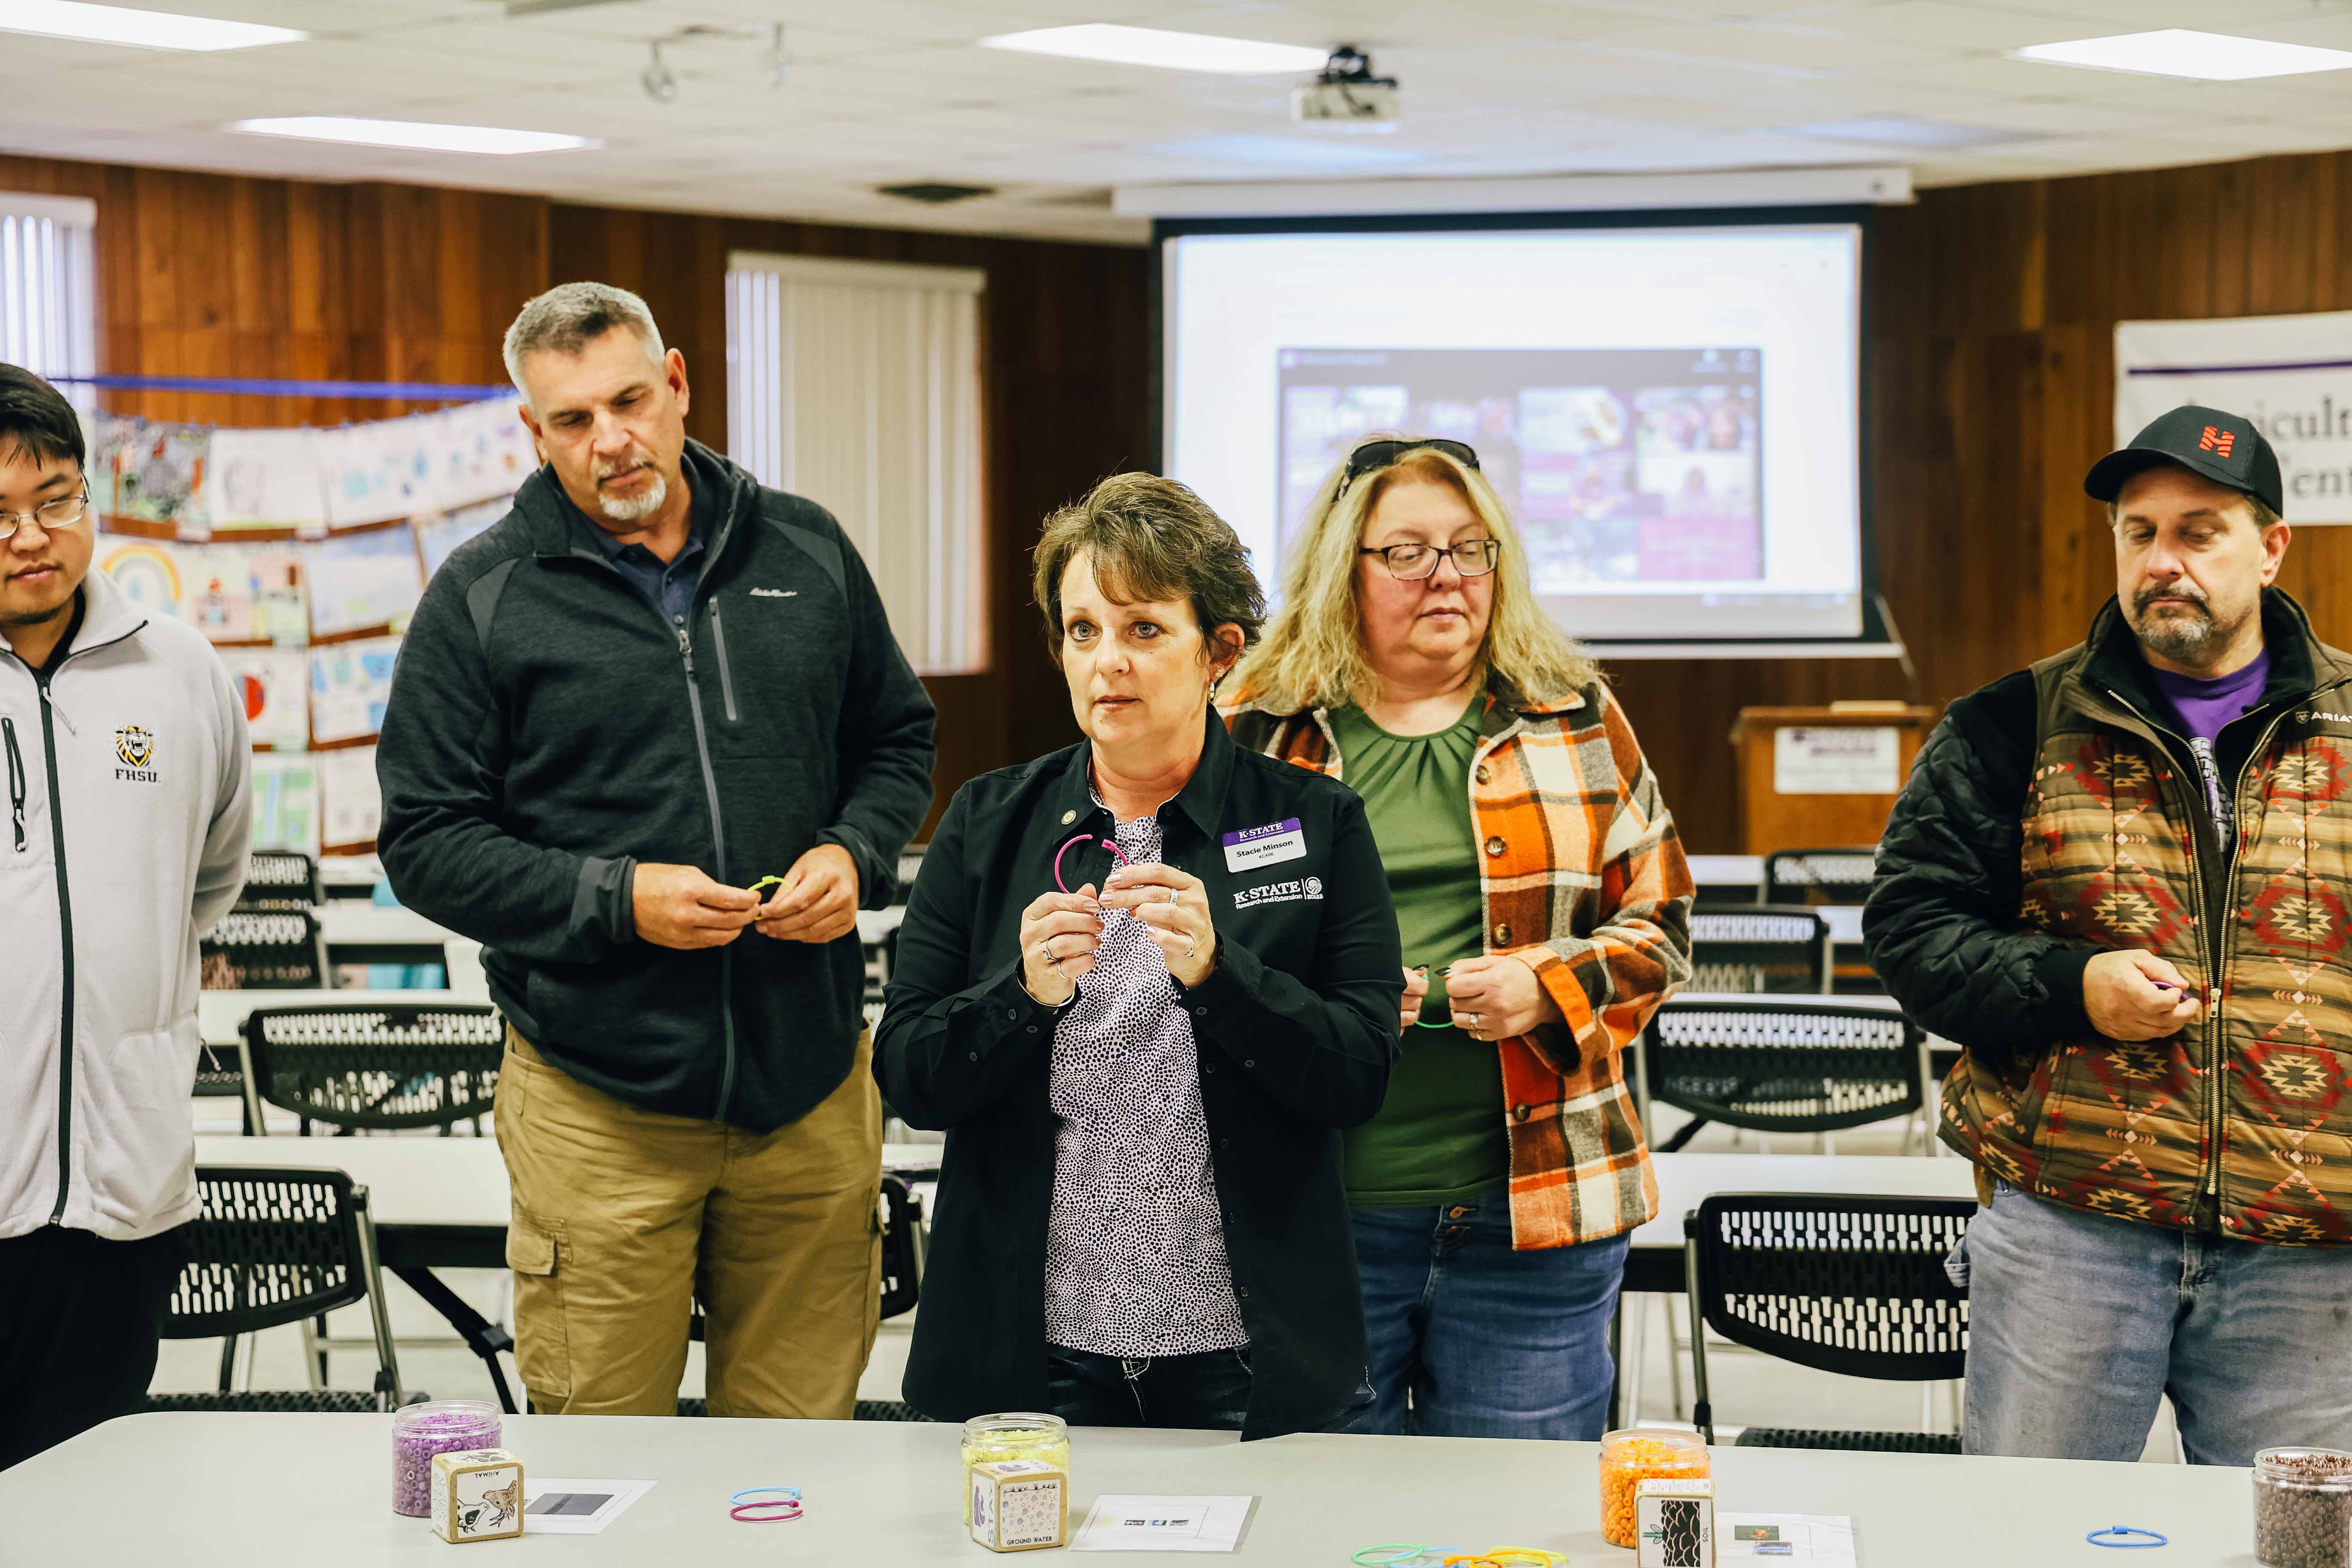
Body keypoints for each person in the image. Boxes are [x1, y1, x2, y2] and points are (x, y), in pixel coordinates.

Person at [376, 282, 936, 1420]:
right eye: (572, 421)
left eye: (629, 401)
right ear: (532, 433)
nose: (611, 441)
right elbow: (426, 841)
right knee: (604, 1466)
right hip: (599, 1105)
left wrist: (856, 853)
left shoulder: (807, 549)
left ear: (678, 384)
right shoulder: (481, 598)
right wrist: (614, 898)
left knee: (799, 1465)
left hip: (811, 1088)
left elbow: (896, 738)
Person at [1868, 404, 2352, 1465]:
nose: (2163, 561)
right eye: (2140, 533)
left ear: (2271, 549)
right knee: (2029, 1543)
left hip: (2313, 1254)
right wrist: (2072, 986)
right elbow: (1911, 929)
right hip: (2070, 1233)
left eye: (2198, 531)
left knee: (2297, 1547)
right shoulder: (2010, 723)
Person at [876, 474, 1401, 1439]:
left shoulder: (1315, 822)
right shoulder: (987, 822)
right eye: (1083, 632)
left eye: (1143, 629)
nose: (1107, 663)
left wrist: (1222, 977)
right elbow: (912, 1075)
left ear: (1221, 653)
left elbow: (1358, 1075)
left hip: (1240, 1346)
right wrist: (1023, 997)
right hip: (1033, 1345)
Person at [1227, 435, 1694, 1441]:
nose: (1444, 573)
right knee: (1332, 1528)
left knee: (1516, 1529)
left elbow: (1663, 922)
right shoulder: (1260, 731)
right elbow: (1196, 946)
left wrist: (1550, 986)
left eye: (1469, 548)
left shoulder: (1575, 714)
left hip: (1534, 1215)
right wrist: (1320, 996)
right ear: (1340, 568)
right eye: (1406, 551)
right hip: (1320, 1216)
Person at [0, 364, 251, 1467]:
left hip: (123, 1193)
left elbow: (213, 869)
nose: (30, 536)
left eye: (56, 501)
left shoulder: (181, 670)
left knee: (90, 1499)